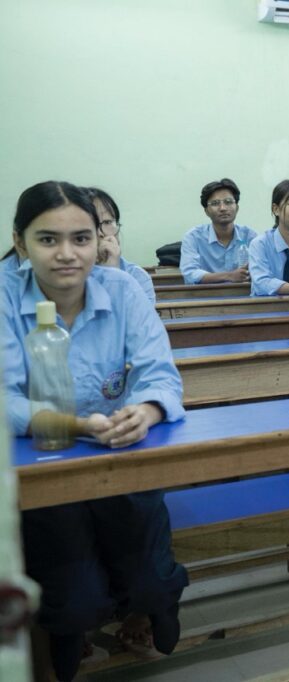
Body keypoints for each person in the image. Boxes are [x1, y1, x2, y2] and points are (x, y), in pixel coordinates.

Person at [2, 181, 188, 681]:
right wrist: (75, 424)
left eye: (82, 238)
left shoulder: (124, 289)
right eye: (48, 240)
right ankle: (69, 629)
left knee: (150, 572)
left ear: (100, 238)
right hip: (40, 461)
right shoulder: (2, 296)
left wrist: (146, 410)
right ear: (20, 242)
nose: (67, 254)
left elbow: (159, 373)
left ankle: (157, 604)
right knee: (75, 592)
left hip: (123, 452)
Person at [179, 178, 257, 284]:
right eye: (215, 203)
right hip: (204, 297)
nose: (223, 208)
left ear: (237, 208)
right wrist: (229, 276)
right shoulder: (193, 237)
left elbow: (261, 270)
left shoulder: (250, 236)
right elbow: (190, 274)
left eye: (228, 202)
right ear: (206, 211)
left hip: (244, 296)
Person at [86, 187, 157, 304]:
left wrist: (112, 273)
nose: (100, 233)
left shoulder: (137, 276)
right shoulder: (68, 274)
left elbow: (137, 322)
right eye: (91, 223)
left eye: (108, 222)